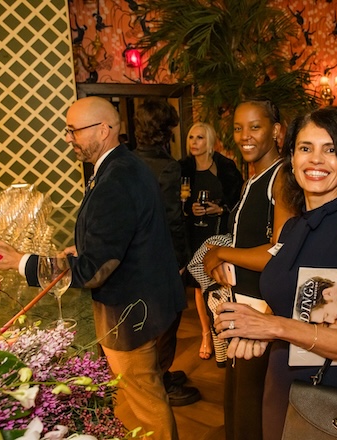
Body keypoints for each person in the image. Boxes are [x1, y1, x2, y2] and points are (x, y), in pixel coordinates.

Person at [0, 97, 185, 439]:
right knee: (137, 397)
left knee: (146, 404)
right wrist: (84, 247)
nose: (68, 138)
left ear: (104, 130)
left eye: (73, 130)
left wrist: (20, 261)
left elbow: (94, 271)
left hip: (131, 311)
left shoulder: (115, 179)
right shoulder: (125, 166)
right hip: (150, 301)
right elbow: (131, 232)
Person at [213, 106, 337, 440]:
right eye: (305, 148)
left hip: (336, 395)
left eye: (330, 149)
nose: (316, 160)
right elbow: (292, 307)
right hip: (282, 382)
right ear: (292, 158)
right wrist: (255, 328)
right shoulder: (294, 227)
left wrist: (273, 327)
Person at [202, 98, 295, 440]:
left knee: (254, 414)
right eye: (239, 128)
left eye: (255, 127)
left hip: (262, 310)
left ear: (277, 131)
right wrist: (221, 258)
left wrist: (222, 251)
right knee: (239, 409)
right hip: (241, 306)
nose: (245, 136)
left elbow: (278, 253)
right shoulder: (251, 180)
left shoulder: (282, 178)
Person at [133, 98, 201, 407]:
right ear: (166, 131)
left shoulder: (129, 161)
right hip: (163, 256)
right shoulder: (167, 167)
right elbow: (173, 218)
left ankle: (158, 374)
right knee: (169, 317)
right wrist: (182, 260)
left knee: (149, 318)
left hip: (137, 256)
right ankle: (160, 381)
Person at [179, 122, 243, 361]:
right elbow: (178, 199)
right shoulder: (184, 169)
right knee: (198, 286)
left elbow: (237, 201)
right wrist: (188, 209)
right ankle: (207, 334)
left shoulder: (225, 167)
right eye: (191, 138)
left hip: (216, 234)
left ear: (210, 141)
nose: (194, 143)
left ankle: (223, 331)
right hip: (193, 234)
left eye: (200, 138)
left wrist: (221, 208)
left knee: (219, 284)